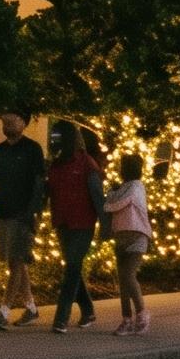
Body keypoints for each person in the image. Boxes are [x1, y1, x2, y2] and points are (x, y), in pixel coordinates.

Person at [0, 110, 46, 330]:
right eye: (4, 120)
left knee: (17, 260)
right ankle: (31, 308)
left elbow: (39, 182)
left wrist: (34, 211)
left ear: (24, 123)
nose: (7, 123)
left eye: (12, 120)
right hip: (3, 212)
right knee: (14, 261)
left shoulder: (32, 149)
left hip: (24, 214)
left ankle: (3, 312)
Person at [45, 122, 105, 333]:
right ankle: (88, 311)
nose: (54, 141)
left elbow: (98, 196)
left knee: (71, 267)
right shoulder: (55, 165)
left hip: (83, 223)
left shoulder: (87, 163)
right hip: (63, 223)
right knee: (73, 267)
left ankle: (61, 318)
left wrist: (106, 226)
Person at [101, 152, 151, 335]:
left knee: (128, 275)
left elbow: (119, 202)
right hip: (121, 238)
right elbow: (112, 198)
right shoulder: (122, 187)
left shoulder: (136, 187)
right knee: (123, 281)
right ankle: (126, 319)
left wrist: (108, 202)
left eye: (123, 166)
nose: (120, 169)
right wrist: (111, 195)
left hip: (137, 237)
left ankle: (142, 313)